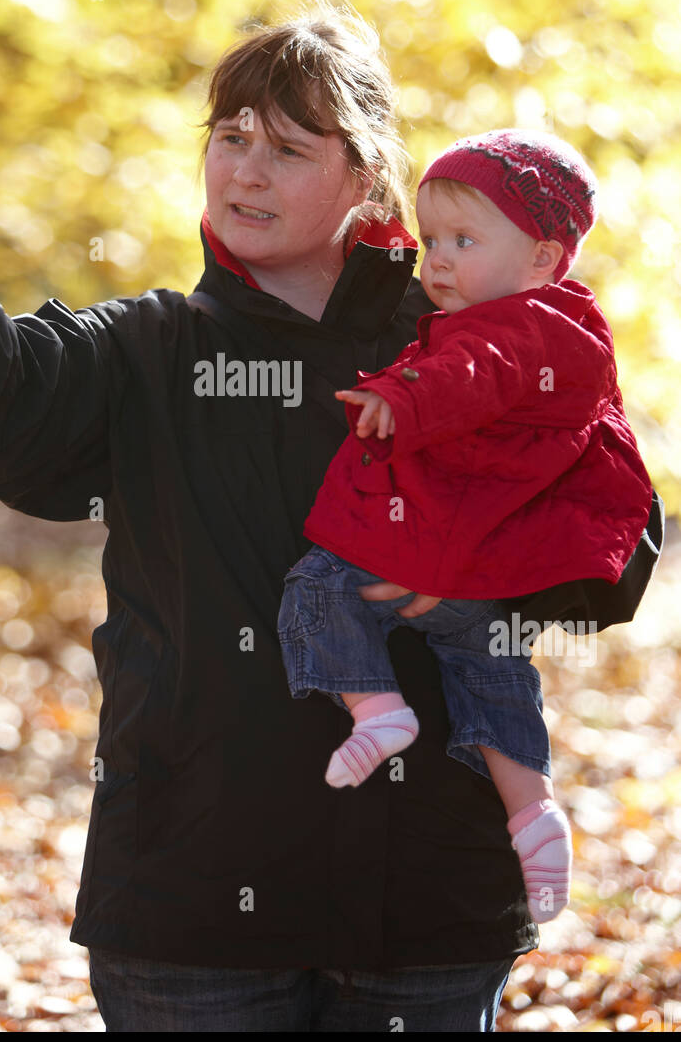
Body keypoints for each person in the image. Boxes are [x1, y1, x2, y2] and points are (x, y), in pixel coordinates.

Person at [0, 1, 663, 1032]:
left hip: (427, 894)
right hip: (193, 896)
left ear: (363, 178)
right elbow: (26, 372)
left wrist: (483, 575)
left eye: (284, 147)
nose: (245, 171)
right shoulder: (151, 348)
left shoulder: (475, 348)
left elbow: (613, 523)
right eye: (229, 139)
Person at [276, 130, 654, 926]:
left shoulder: (520, 327)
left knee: (317, 587)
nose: (437, 261)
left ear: (545, 258)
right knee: (492, 675)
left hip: (453, 547)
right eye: (432, 239)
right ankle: (534, 814)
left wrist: (400, 398)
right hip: (476, 564)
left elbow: (470, 376)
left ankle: (377, 711)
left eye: (464, 241)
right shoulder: (543, 319)